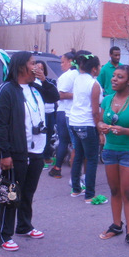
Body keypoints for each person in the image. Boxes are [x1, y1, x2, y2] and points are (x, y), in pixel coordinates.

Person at [0, 51, 59, 251]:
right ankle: (3, 235)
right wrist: (4, 153)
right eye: (32, 63)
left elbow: (54, 96)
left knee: (28, 192)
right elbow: (0, 124)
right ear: (21, 66)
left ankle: (24, 225)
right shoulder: (6, 90)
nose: (36, 66)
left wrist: (44, 79)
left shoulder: (35, 87)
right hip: (16, 151)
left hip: (37, 149)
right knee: (11, 194)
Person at [97, 65, 129, 251]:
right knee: (114, 191)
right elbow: (100, 121)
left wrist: (125, 130)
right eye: (113, 76)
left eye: (119, 77)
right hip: (110, 150)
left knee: (128, 193)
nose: (114, 79)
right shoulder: (107, 100)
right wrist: (102, 127)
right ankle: (116, 225)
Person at [69, 53, 106, 204]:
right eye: (99, 66)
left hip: (74, 122)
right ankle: (89, 195)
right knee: (91, 159)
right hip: (87, 123)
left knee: (78, 155)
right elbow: (95, 111)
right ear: (95, 69)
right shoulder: (94, 84)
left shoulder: (77, 78)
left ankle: (76, 189)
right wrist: (100, 130)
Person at [48, 51, 77, 179]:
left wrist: (78, 96)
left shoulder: (68, 76)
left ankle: (58, 168)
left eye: (63, 62)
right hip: (72, 112)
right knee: (74, 143)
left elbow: (59, 94)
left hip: (65, 111)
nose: (61, 65)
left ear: (71, 61)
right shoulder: (81, 76)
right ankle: (70, 170)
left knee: (65, 141)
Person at [35, 60, 57, 168]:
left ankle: (47, 156)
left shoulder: (48, 82)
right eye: (37, 68)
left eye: (42, 69)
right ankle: (41, 158)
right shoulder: (33, 83)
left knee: (49, 135)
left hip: (50, 111)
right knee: (41, 135)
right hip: (41, 114)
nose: (40, 71)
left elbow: (54, 95)